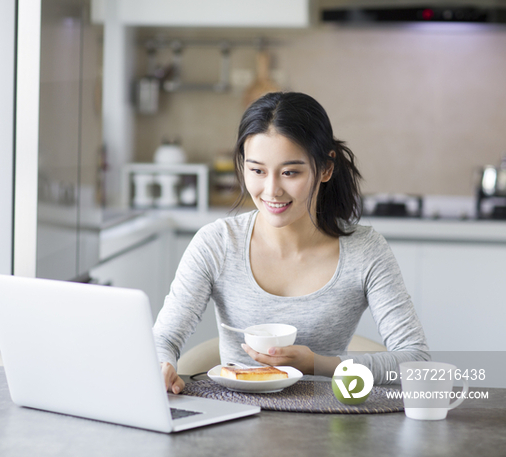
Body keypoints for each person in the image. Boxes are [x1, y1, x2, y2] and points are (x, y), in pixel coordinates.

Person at [153, 91, 429, 394]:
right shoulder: (217, 243)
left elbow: (416, 360)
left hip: (328, 426)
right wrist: (162, 366)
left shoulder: (365, 251)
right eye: (257, 170)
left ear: (325, 168)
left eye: (290, 173)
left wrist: (318, 365)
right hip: (234, 422)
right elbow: (163, 339)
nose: (271, 190)